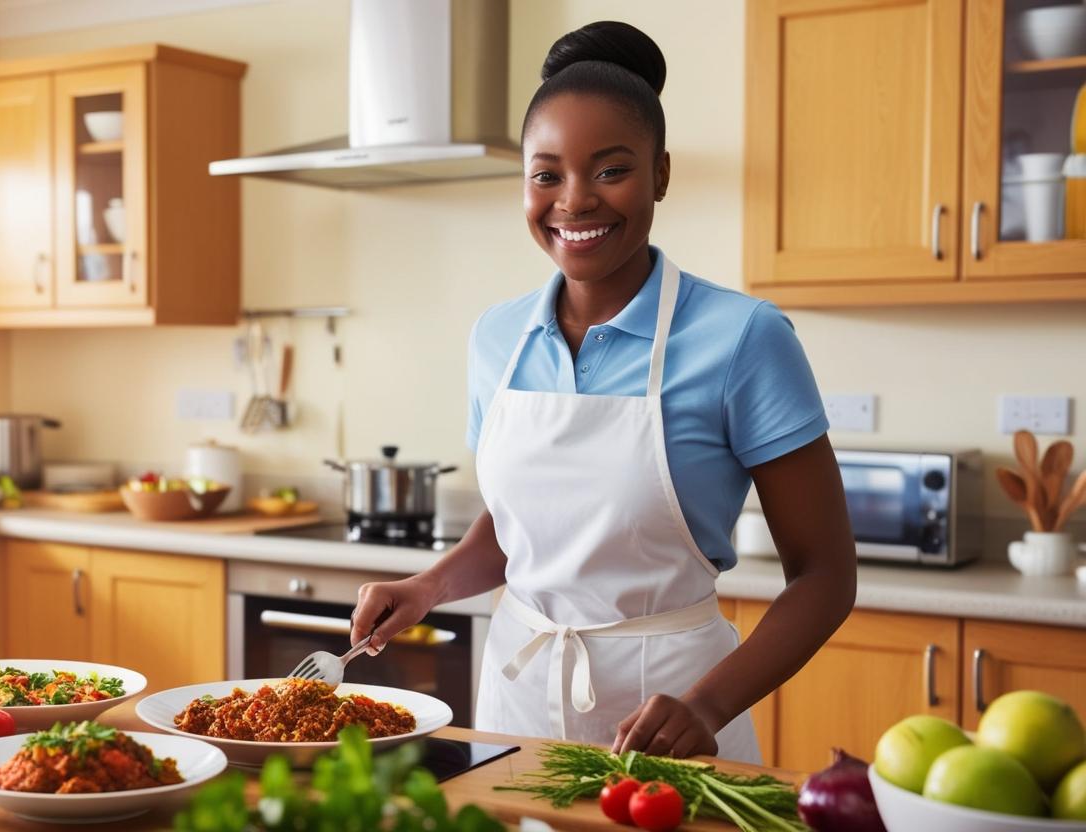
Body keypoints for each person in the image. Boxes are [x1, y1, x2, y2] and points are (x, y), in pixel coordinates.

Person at [349, 20, 856, 762]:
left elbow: (825, 576)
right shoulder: (497, 338)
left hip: (676, 717)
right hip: (515, 706)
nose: (575, 201)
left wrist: (707, 704)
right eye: (547, 174)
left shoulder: (744, 338)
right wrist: (429, 585)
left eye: (610, 170)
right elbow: (523, 529)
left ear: (660, 174)